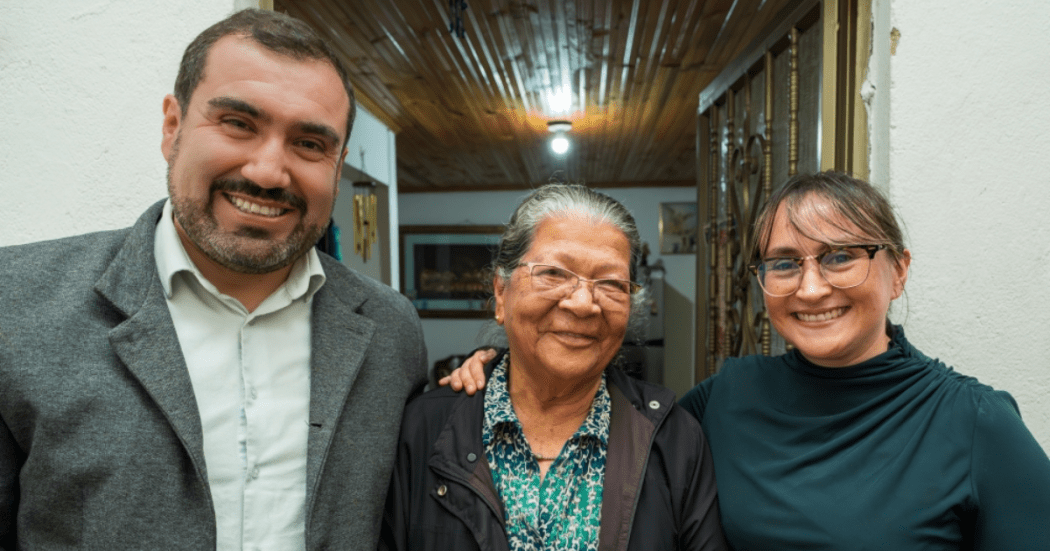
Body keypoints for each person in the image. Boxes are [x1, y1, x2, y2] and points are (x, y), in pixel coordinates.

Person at [0, 9, 426, 550]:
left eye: (310, 144)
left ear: (338, 167)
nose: (268, 172)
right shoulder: (15, 306)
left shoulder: (391, 331)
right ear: (172, 127)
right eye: (239, 124)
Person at [447, 171, 1050, 549]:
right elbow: (611, 417)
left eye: (840, 257)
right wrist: (509, 360)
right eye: (785, 263)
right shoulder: (732, 394)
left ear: (898, 268)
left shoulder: (976, 422)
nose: (811, 288)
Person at [380, 184, 727, 550]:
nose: (582, 303)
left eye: (610, 283)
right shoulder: (423, 430)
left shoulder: (674, 441)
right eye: (555, 274)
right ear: (501, 292)